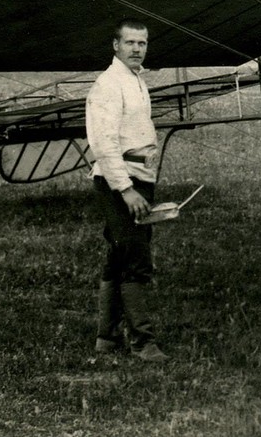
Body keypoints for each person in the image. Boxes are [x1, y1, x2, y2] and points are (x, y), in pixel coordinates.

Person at [86, 18, 168, 362]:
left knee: (118, 256)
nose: (137, 49)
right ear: (116, 45)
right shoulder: (108, 85)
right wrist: (126, 190)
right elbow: (104, 145)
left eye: (142, 43)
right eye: (130, 43)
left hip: (138, 176)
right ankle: (142, 342)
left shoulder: (135, 80)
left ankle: (106, 338)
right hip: (119, 180)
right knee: (135, 258)